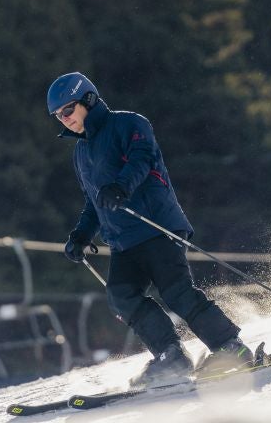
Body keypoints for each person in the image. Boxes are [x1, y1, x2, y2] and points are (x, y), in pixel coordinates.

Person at [47, 71, 257, 387]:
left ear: (88, 99)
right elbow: (93, 201)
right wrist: (80, 235)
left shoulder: (130, 123)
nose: (64, 119)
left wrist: (121, 187)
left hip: (156, 226)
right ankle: (169, 355)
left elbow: (141, 161)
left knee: (176, 292)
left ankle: (232, 348)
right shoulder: (81, 153)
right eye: (57, 115)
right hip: (123, 241)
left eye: (67, 110)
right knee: (121, 294)